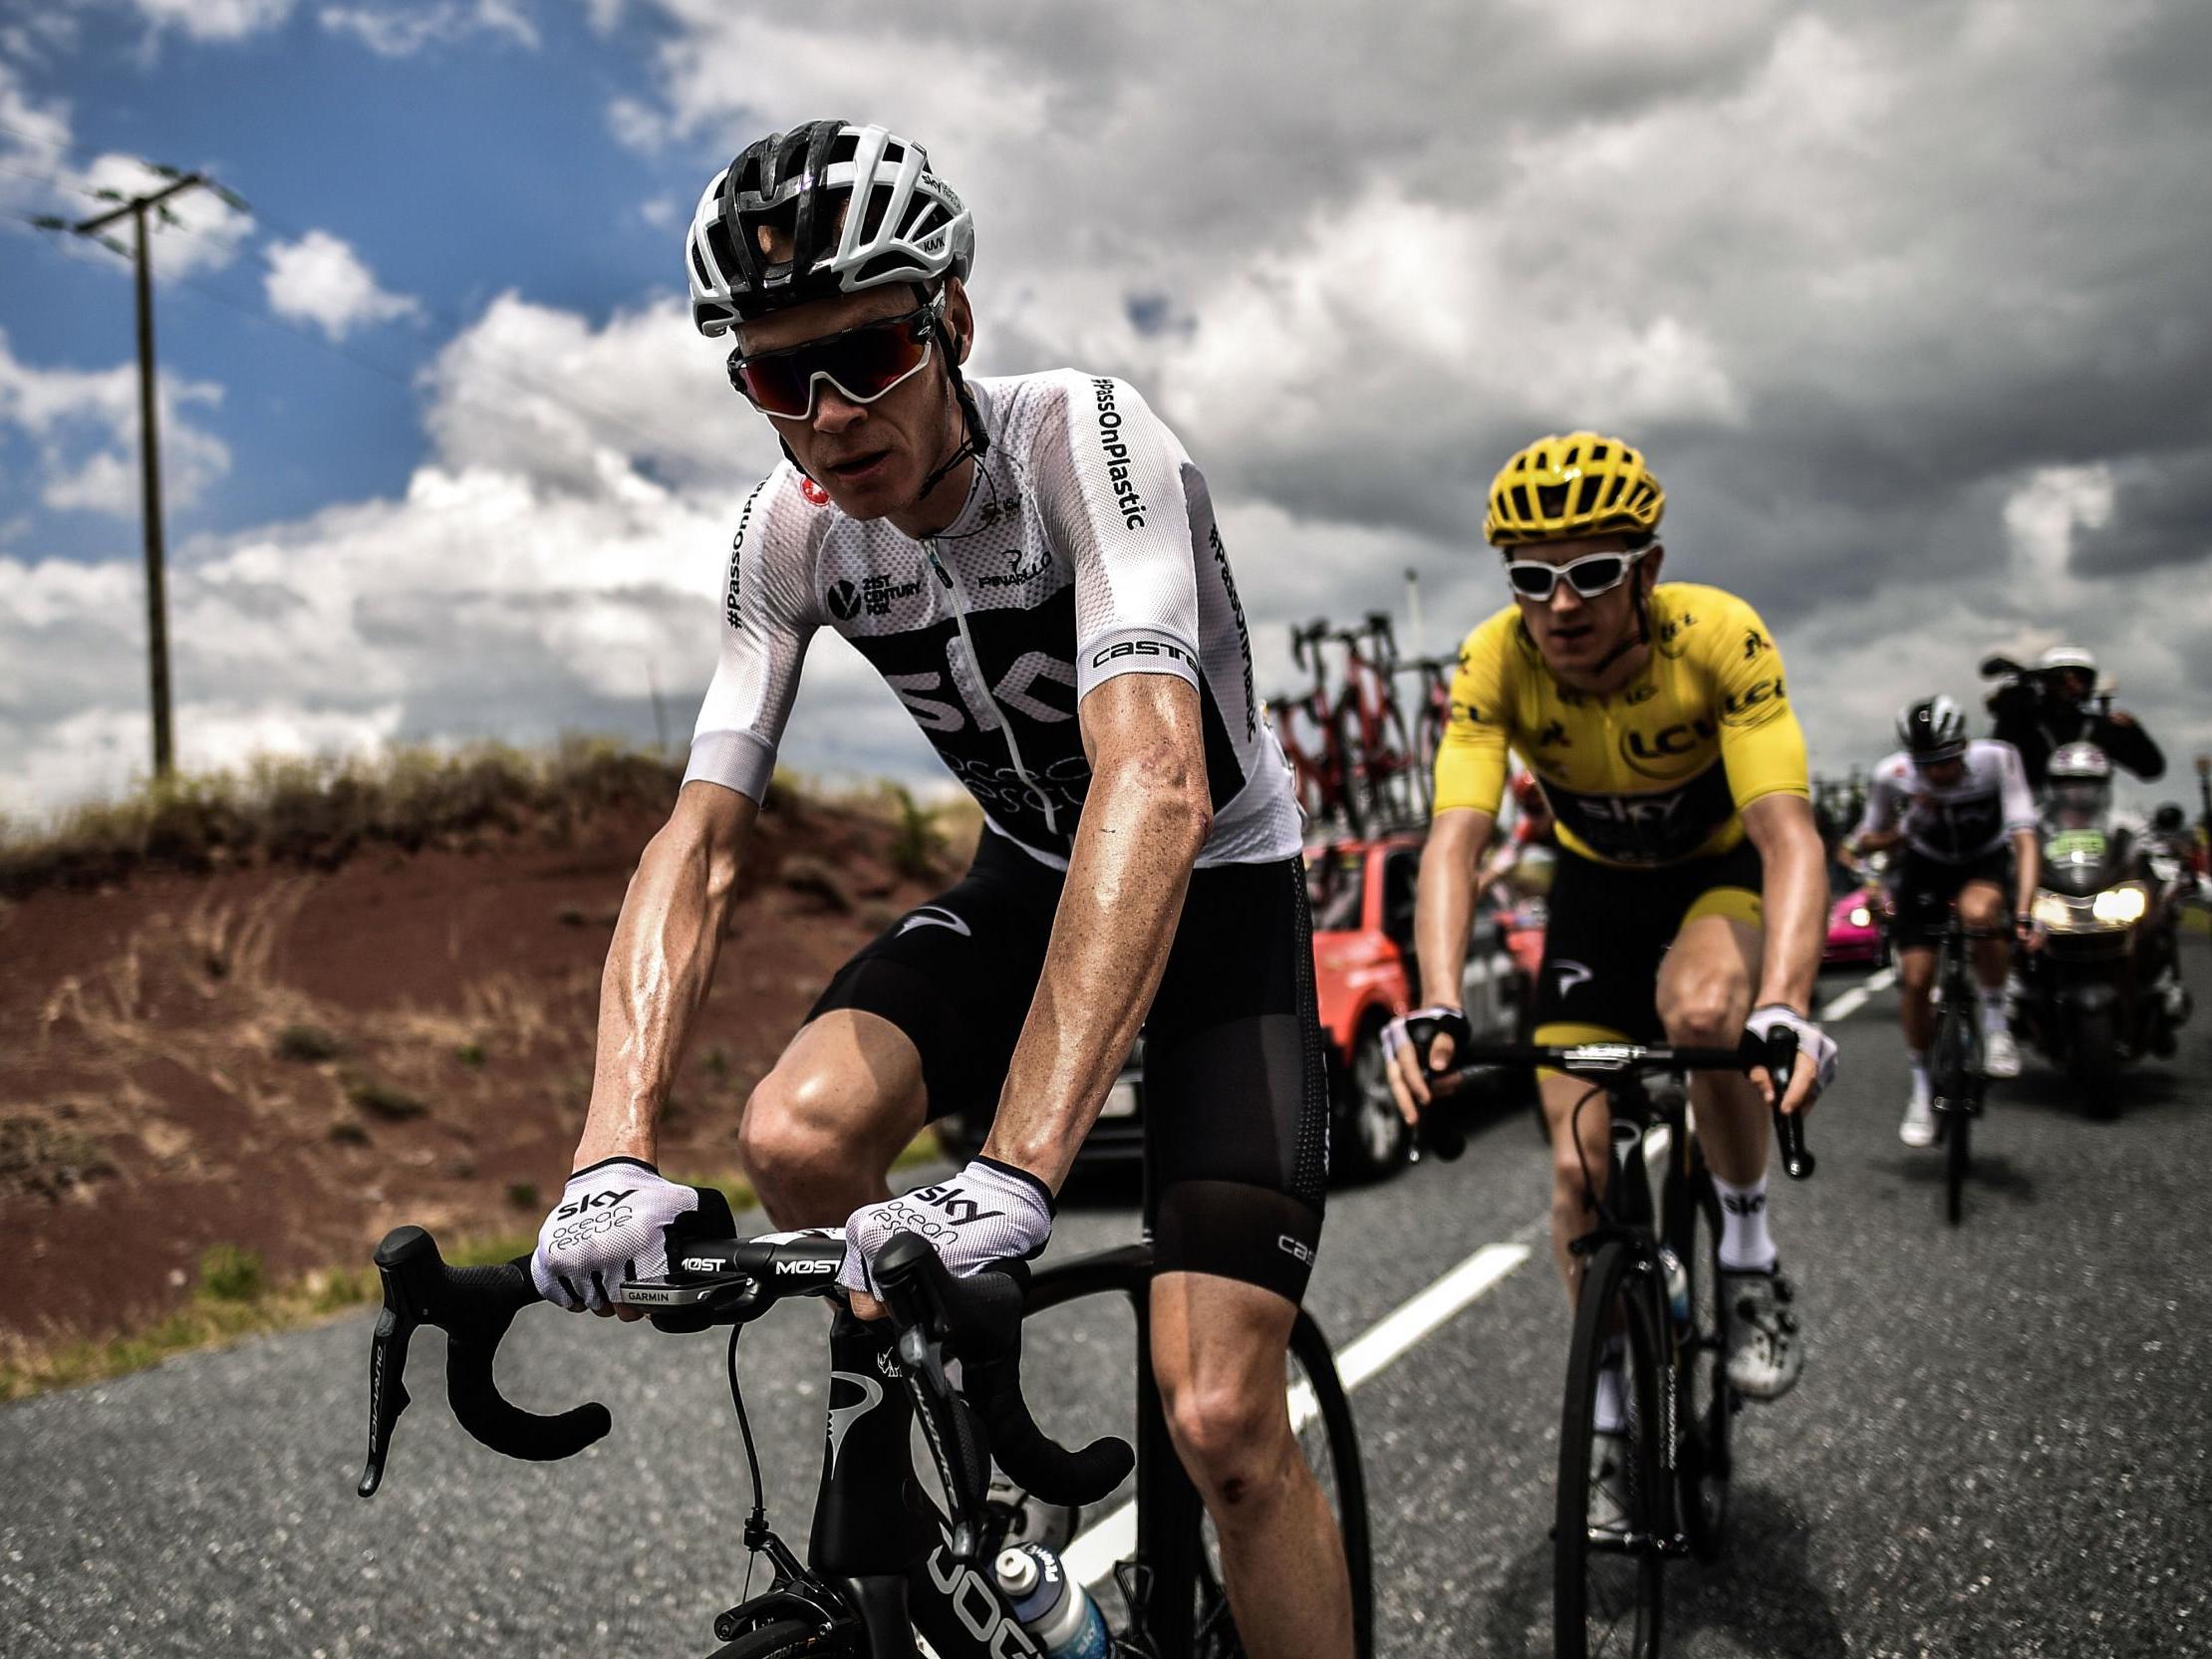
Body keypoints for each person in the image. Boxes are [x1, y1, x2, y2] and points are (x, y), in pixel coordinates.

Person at [523, 122, 1350, 1658]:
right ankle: (980, 1517)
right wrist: (606, 1146)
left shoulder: (1084, 444)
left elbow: (1157, 784)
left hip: (1218, 892)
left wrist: (1023, 1169)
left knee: (1226, 1417)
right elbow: (698, 841)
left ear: (953, 320)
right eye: (780, 376)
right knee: (796, 1131)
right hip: (1035, 876)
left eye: (869, 352)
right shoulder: (788, 536)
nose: (829, 418)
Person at [1382, 430, 1837, 1467]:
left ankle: (1752, 1253)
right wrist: (1440, 1002)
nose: (1563, 606)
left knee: (1707, 1015)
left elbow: (1788, 836)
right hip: (1595, 892)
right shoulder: (1494, 658)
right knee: (1578, 1175)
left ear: (1648, 572)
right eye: (1534, 580)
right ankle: (1602, 1433)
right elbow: (1454, 841)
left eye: (1592, 573)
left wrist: (1787, 1004)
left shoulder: (1719, 636)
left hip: (1712, 873)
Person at [1844, 697, 2039, 1145]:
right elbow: (1863, 843)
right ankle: (1921, 1086)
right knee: (1915, 980)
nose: (1936, 772)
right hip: (1924, 868)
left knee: (1978, 914)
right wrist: (1903, 827)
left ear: (1964, 747)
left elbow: (2024, 837)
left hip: (1982, 862)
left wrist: (2025, 910)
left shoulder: (1997, 760)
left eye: (1946, 761)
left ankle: (1995, 1023)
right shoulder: (1891, 776)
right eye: (1925, 763)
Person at [1984, 645, 2164, 789]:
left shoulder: (2098, 727)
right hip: (2033, 822)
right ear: (2047, 682)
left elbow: (2151, 769)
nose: (2073, 686)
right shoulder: (2027, 724)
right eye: (2063, 679)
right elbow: (1998, 757)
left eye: (2081, 679)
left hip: (2090, 820)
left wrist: (2134, 732)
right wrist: (2011, 707)